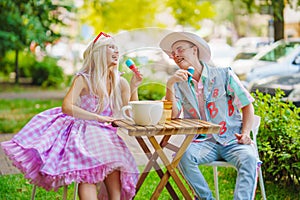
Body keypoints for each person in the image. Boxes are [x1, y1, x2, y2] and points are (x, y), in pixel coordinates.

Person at [1, 32, 143, 200]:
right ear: (97, 53)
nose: (116, 51)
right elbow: (67, 107)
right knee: (89, 169)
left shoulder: (120, 82)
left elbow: (130, 111)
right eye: (110, 47)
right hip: (82, 130)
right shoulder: (84, 79)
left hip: (106, 134)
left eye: (117, 48)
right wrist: (98, 118)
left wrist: (134, 87)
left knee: (115, 159)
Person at [159, 31, 258, 200]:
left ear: (194, 50)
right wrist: (170, 84)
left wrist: (246, 133)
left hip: (232, 139)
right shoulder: (178, 83)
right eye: (173, 53)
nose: (175, 55)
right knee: (182, 156)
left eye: (180, 49)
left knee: (249, 158)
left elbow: (247, 105)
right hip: (202, 142)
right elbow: (174, 115)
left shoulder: (224, 75)